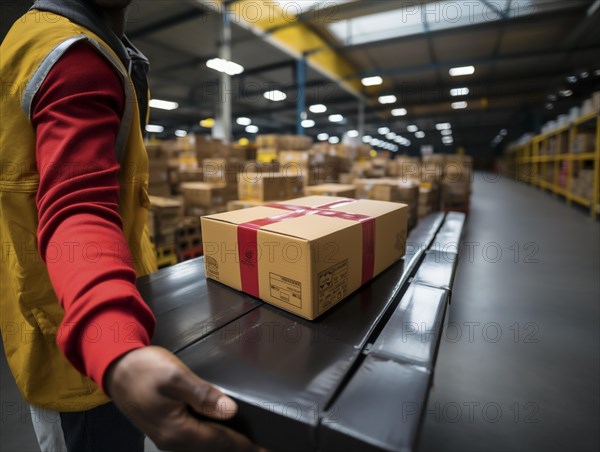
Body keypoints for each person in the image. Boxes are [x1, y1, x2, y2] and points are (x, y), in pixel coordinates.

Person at [0, 1, 259, 450]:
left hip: (64, 317)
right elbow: (76, 206)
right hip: (85, 351)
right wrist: (116, 347)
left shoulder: (41, 37)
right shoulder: (71, 54)